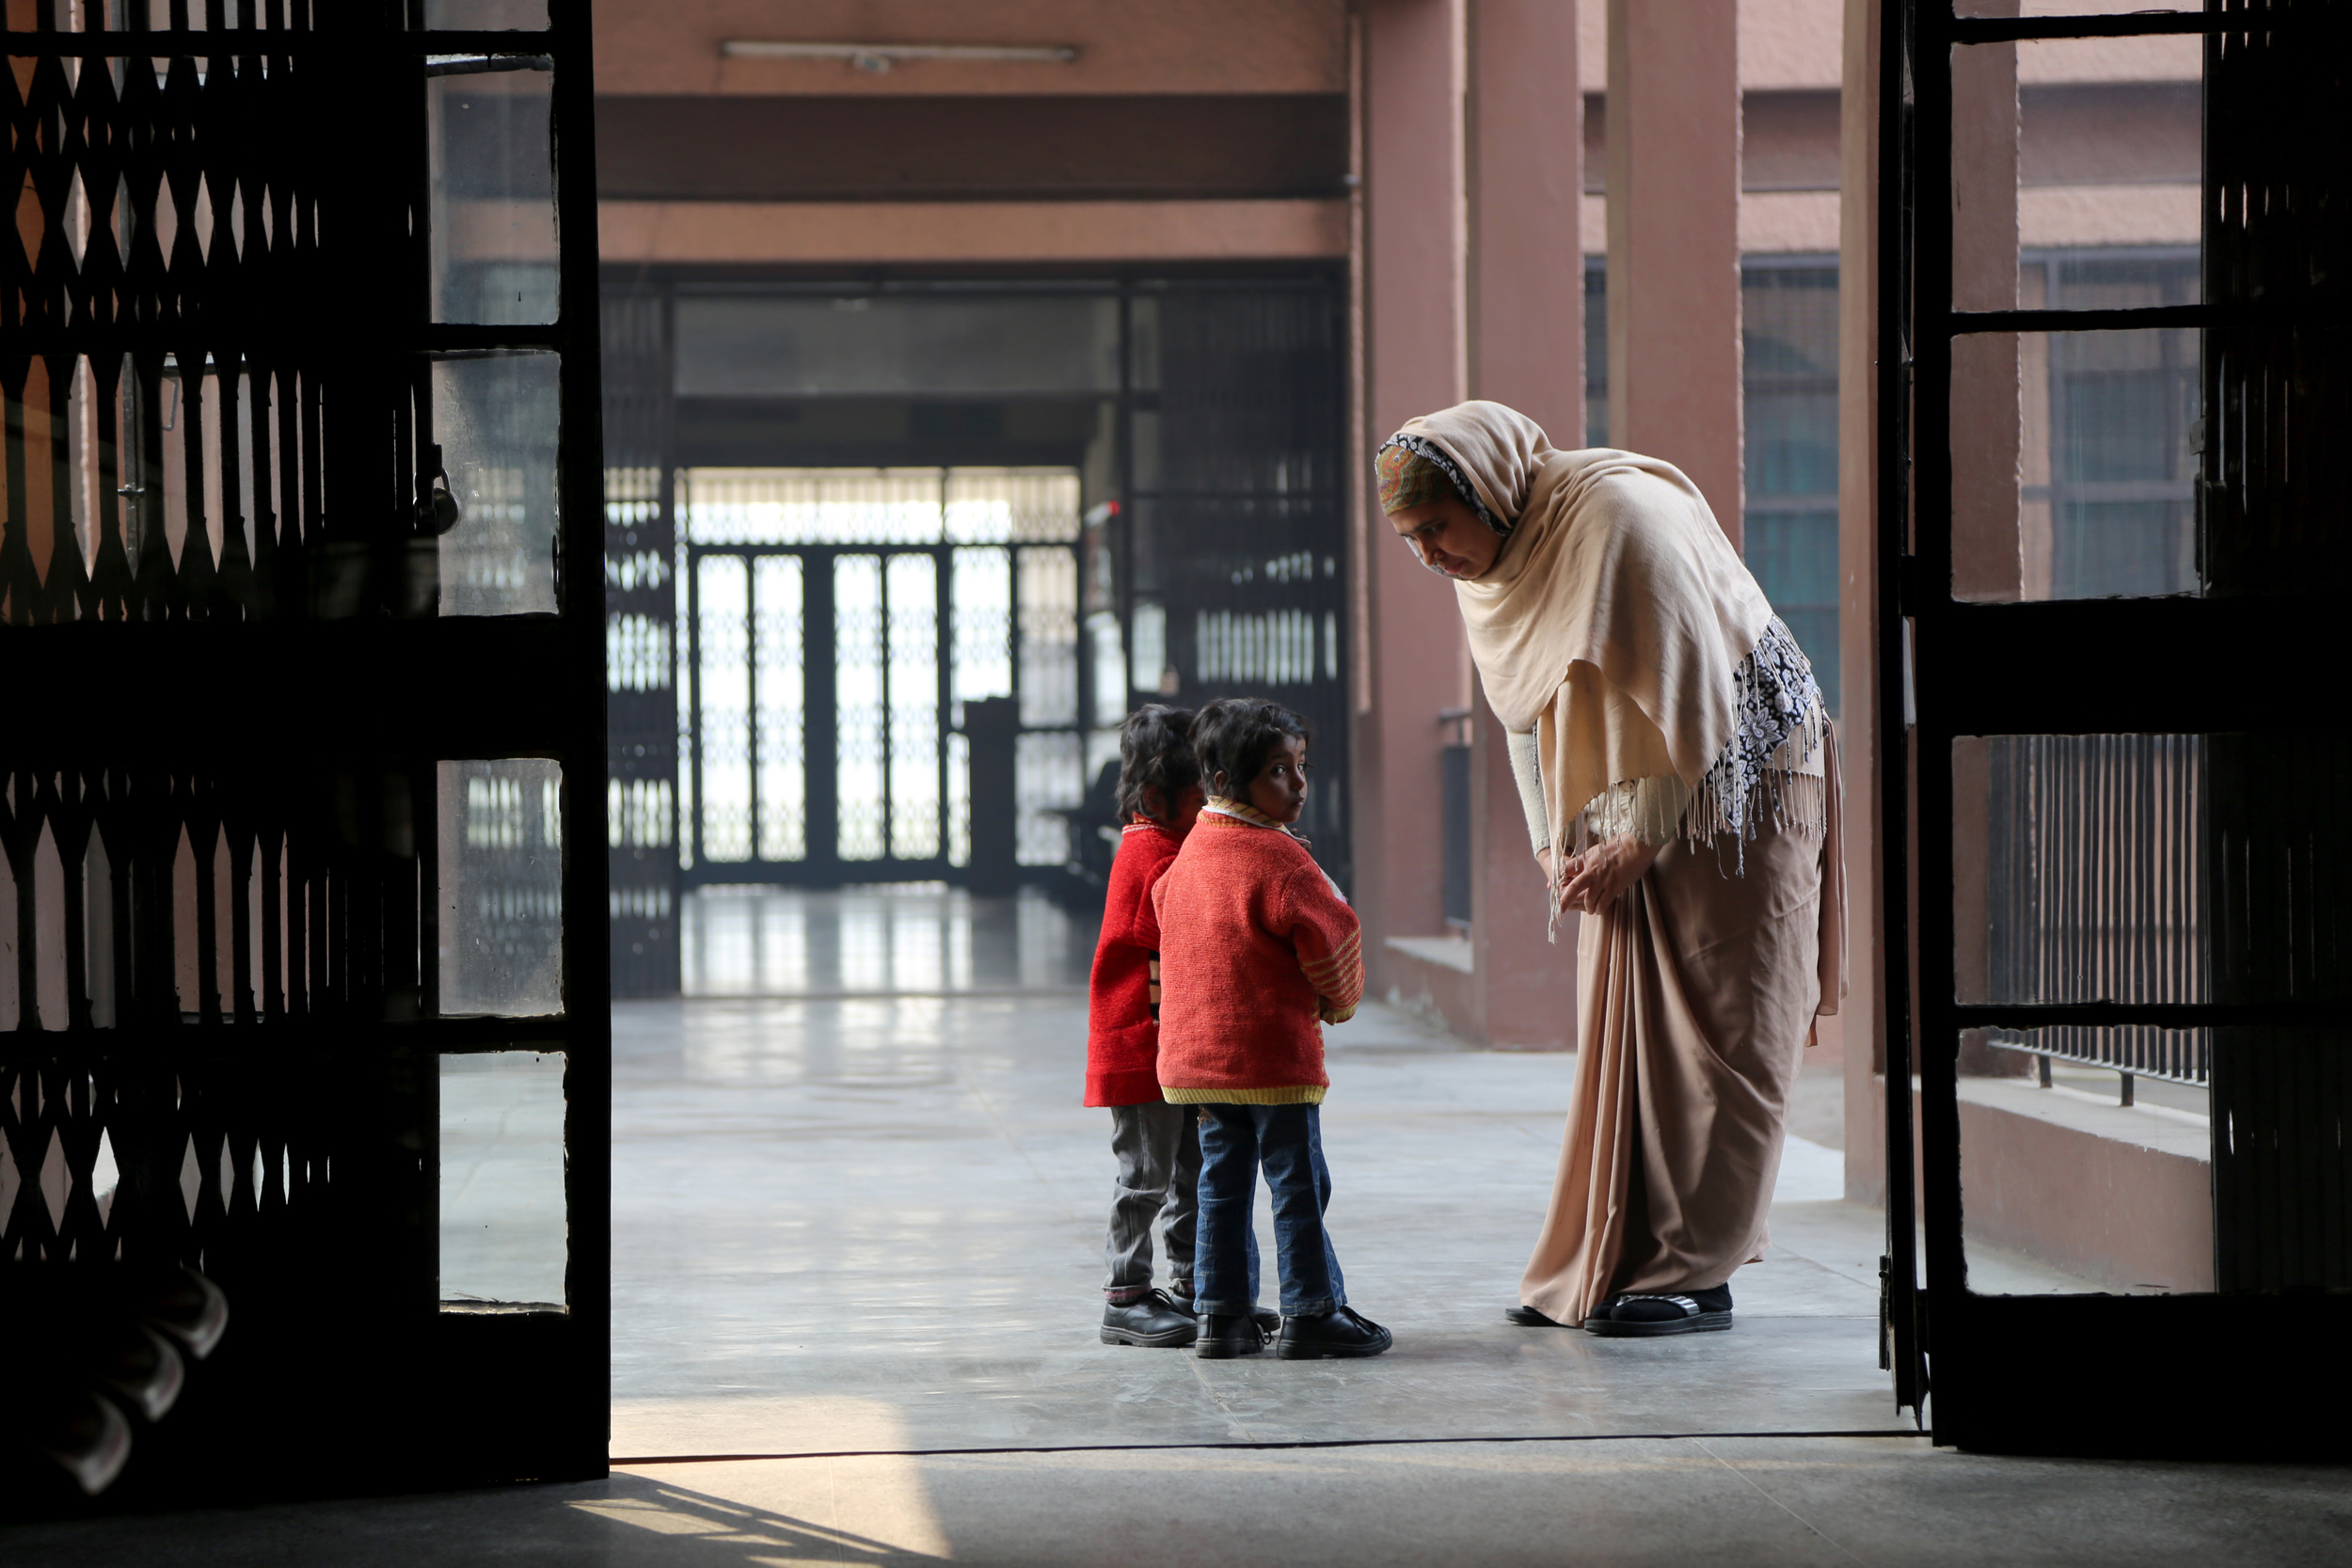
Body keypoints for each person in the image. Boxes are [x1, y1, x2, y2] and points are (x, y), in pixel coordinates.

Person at [1377, 401, 1845, 1338]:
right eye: (1408, 538)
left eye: (1435, 527)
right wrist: (1556, 846)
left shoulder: (1615, 520)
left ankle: (1695, 1270)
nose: (1427, 554)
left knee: (1725, 1032)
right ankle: (1623, 1256)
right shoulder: (1500, 562)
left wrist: (1635, 845)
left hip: (1747, 777)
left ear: (1486, 492)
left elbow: (1712, 695)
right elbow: (1520, 713)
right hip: (1639, 793)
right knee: (1631, 1026)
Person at [1148, 697, 1391, 1361]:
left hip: (1198, 1062)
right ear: (1226, 780)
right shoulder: (1281, 860)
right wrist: (1338, 1001)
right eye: (1278, 771)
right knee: (1297, 1182)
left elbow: (1165, 910)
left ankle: (1220, 1318)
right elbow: (1334, 932)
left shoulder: (1192, 851)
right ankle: (1312, 1311)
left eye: (1300, 766)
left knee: (1220, 1186)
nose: (1298, 783)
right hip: (1271, 1060)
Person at [1087, 705, 1210, 1348]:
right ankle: (1127, 1293)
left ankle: (1194, 1285)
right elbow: (1179, 918)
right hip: (1138, 1048)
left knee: (1191, 1170)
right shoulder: (1150, 853)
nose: (1208, 812)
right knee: (1145, 1176)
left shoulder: (1173, 843)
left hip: (1177, 1044)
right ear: (1155, 797)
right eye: (1200, 799)